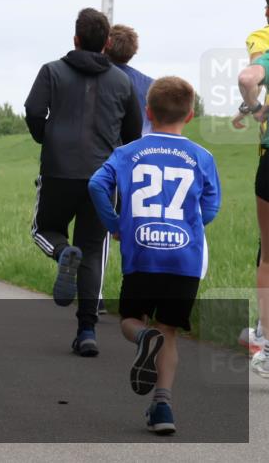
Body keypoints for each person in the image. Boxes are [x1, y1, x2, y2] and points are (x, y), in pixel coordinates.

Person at [88, 77, 221, 434]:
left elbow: (96, 184)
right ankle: (162, 407)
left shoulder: (126, 153)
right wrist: (191, 226)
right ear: (190, 115)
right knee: (169, 331)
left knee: (132, 318)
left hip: (142, 255)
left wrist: (115, 223)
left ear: (148, 112)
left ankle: (142, 338)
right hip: (184, 261)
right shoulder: (203, 157)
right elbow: (211, 206)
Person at [24, 8, 142, 357]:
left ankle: (62, 254)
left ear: (75, 38)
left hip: (58, 171)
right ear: (107, 43)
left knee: (43, 230)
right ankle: (87, 331)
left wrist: (48, 138)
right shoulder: (122, 82)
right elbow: (133, 133)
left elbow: (33, 111)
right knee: (93, 252)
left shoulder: (52, 71)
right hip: (103, 179)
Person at [235, 0, 269, 376]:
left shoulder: (262, 38)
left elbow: (251, 77)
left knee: (267, 256)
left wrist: (254, 107)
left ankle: (264, 336)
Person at [107, 25, 155, 136]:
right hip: (141, 147)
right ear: (134, 50)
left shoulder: (98, 78)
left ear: (107, 45)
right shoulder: (151, 85)